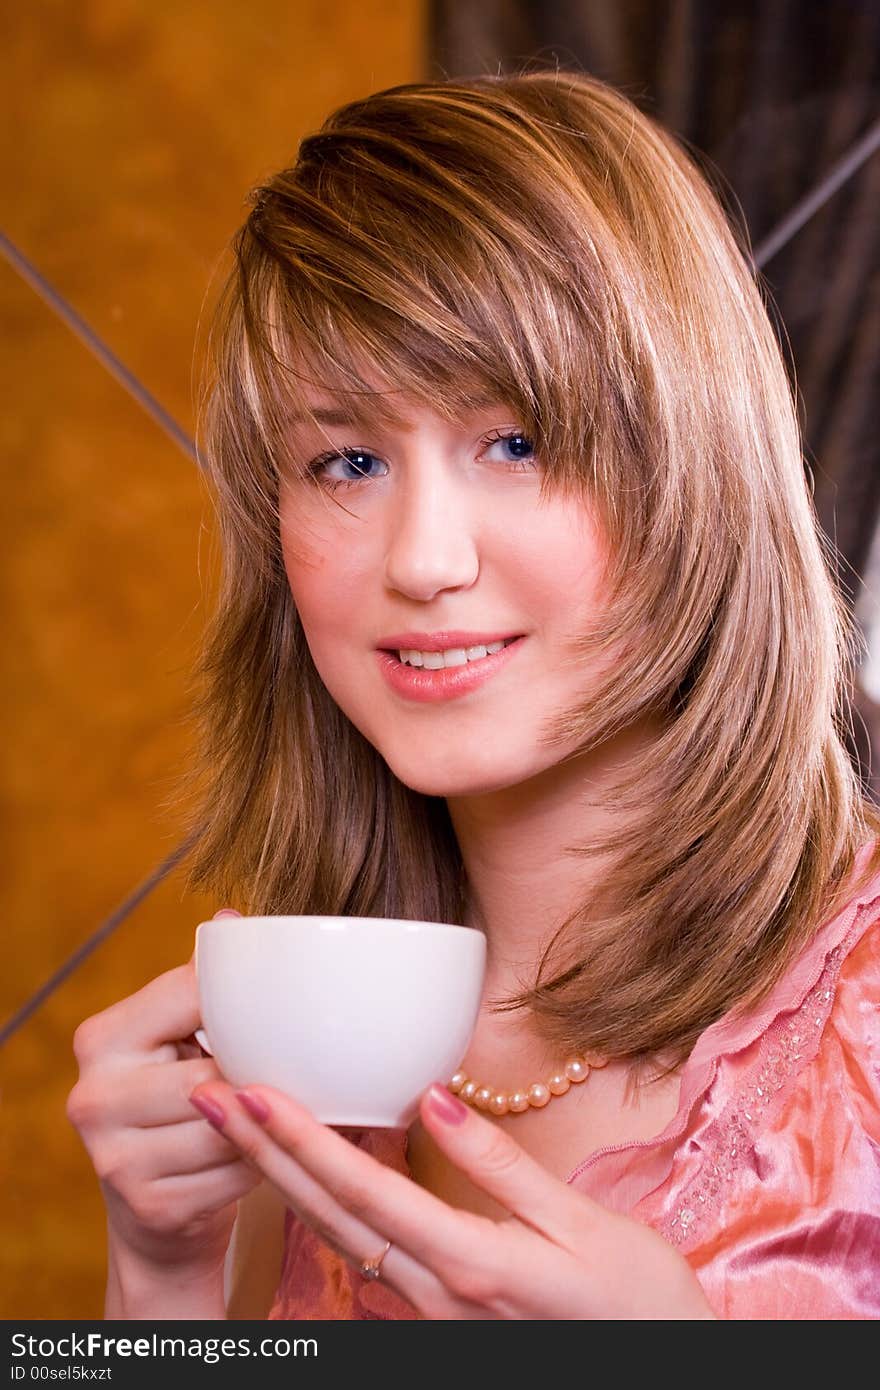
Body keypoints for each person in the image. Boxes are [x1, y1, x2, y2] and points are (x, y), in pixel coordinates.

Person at [67, 70, 880, 1321]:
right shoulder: (295, 1053)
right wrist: (162, 1280)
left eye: (516, 442)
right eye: (347, 460)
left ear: (695, 464)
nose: (423, 560)